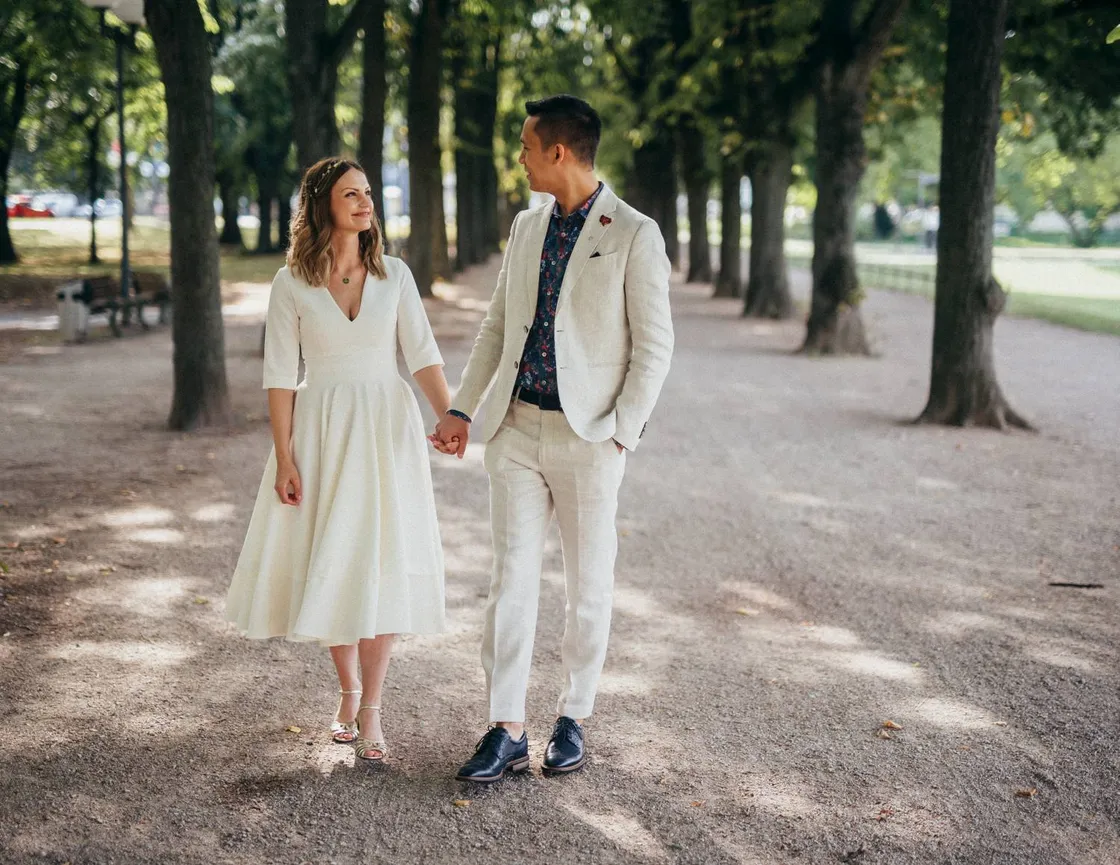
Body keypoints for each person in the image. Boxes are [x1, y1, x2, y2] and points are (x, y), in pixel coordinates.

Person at [431, 95, 674, 783]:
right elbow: (496, 328)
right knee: (510, 577)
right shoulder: (525, 227)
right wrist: (462, 409)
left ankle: (574, 714)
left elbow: (654, 347)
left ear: (558, 152)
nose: (519, 155)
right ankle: (506, 725)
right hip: (515, 430)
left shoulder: (633, 233)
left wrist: (620, 433)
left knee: (587, 583)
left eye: (526, 144)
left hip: (589, 438)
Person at [226, 157, 450, 764]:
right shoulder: (289, 283)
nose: (365, 203)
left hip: (385, 429)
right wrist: (284, 456)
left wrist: (449, 416)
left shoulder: (395, 274)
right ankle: (347, 690)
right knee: (333, 556)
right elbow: (279, 375)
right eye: (351, 194)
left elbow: (422, 354)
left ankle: (372, 708)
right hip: (321, 428)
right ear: (323, 203)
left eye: (369, 194)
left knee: (381, 557)